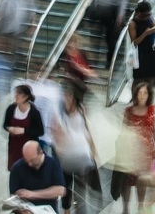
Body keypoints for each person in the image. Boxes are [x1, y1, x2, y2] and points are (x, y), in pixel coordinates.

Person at [51, 82, 99, 214]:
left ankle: (80, 210)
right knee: (66, 186)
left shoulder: (81, 109)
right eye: (65, 96)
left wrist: (92, 148)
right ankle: (67, 209)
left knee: (80, 187)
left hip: (81, 155)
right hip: (65, 158)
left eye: (69, 96)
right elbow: (54, 134)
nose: (67, 99)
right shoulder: (58, 113)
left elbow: (86, 129)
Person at [119, 82, 155, 214]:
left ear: (149, 95)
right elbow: (123, 130)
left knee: (141, 180)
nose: (142, 96)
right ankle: (125, 209)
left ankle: (140, 206)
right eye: (140, 93)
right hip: (130, 151)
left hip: (146, 152)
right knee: (126, 181)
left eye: (145, 93)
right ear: (135, 95)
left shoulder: (152, 110)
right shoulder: (129, 111)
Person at [8, 141, 66, 212]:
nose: (29, 164)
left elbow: (60, 190)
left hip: (48, 210)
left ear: (41, 153)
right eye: (26, 160)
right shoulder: (17, 168)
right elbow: (14, 196)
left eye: (32, 160)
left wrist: (32, 194)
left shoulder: (53, 164)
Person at [4, 84, 44, 172]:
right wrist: (9, 128)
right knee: (15, 170)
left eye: (19, 94)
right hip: (14, 146)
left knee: (27, 170)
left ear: (26, 97)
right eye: (16, 93)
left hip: (28, 148)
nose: (16, 96)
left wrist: (24, 131)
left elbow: (40, 131)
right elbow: (5, 125)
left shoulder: (34, 112)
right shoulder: (11, 109)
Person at [128, 1, 155, 83]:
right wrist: (145, 33)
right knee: (138, 79)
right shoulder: (133, 24)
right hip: (139, 53)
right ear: (139, 13)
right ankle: (135, 95)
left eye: (149, 14)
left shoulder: (149, 19)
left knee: (149, 77)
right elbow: (134, 42)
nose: (148, 16)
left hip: (149, 50)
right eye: (146, 15)